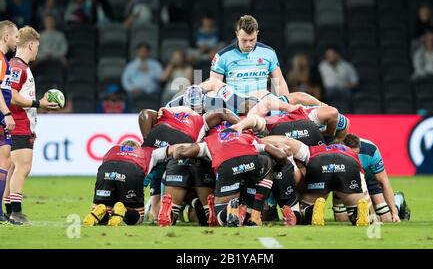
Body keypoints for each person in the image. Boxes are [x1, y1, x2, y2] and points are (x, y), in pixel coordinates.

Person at [160, 121, 288, 227]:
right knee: (267, 163)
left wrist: (176, 152)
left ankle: (230, 211)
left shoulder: (209, 141)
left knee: (219, 216)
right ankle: (255, 216)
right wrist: (282, 164)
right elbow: (280, 155)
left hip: (228, 168)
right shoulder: (247, 137)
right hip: (252, 162)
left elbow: (183, 152)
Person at [3, 26, 59, 224]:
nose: (37, 50)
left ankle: (8, 210)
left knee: (13, 168)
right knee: (23, 167)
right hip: (19, 124)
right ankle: (16, 212)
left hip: (19, 123)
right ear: (30, 45)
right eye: (37, 46)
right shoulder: (19, 68)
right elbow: (12, 96)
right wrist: (39, 103)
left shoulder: (15, 66)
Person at [210, 15, 289, 98]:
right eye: (244, 40)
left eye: (252, 40)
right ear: (237, 34)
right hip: (235, 105)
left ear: (257, 33)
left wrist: (287, 106)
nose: (248, 44)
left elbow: (279, 82)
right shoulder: (222, 56)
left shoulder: (269, 53)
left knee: (300, 96)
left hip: (263, 104)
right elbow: (214, 87)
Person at [337, 133, 409, 222]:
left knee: (386, 219)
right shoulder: (336, 150)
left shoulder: (370, 151)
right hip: (345, 178)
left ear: (360, 148)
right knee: (341, 219)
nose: (354, 157)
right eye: (351, 154)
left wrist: (394, 212)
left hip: (368, 175)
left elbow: (383, 182)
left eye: (356, 154)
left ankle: (398, 199)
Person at [83, 140, 155, 227]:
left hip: (106, 171)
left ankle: (97, 212)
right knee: (139, 216)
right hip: (131, 172)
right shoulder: (142, 154)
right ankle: (124, 211)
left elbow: (104, 164)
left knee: (106, 210)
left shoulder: (113, 150)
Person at [0, 20, 18, 224]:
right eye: (14, 37)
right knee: (4, 160)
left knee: (5, 158)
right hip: (0, 116)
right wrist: (6, 113)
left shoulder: (3, 59)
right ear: (6, 37)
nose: (16, 41)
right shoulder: (1, 60)